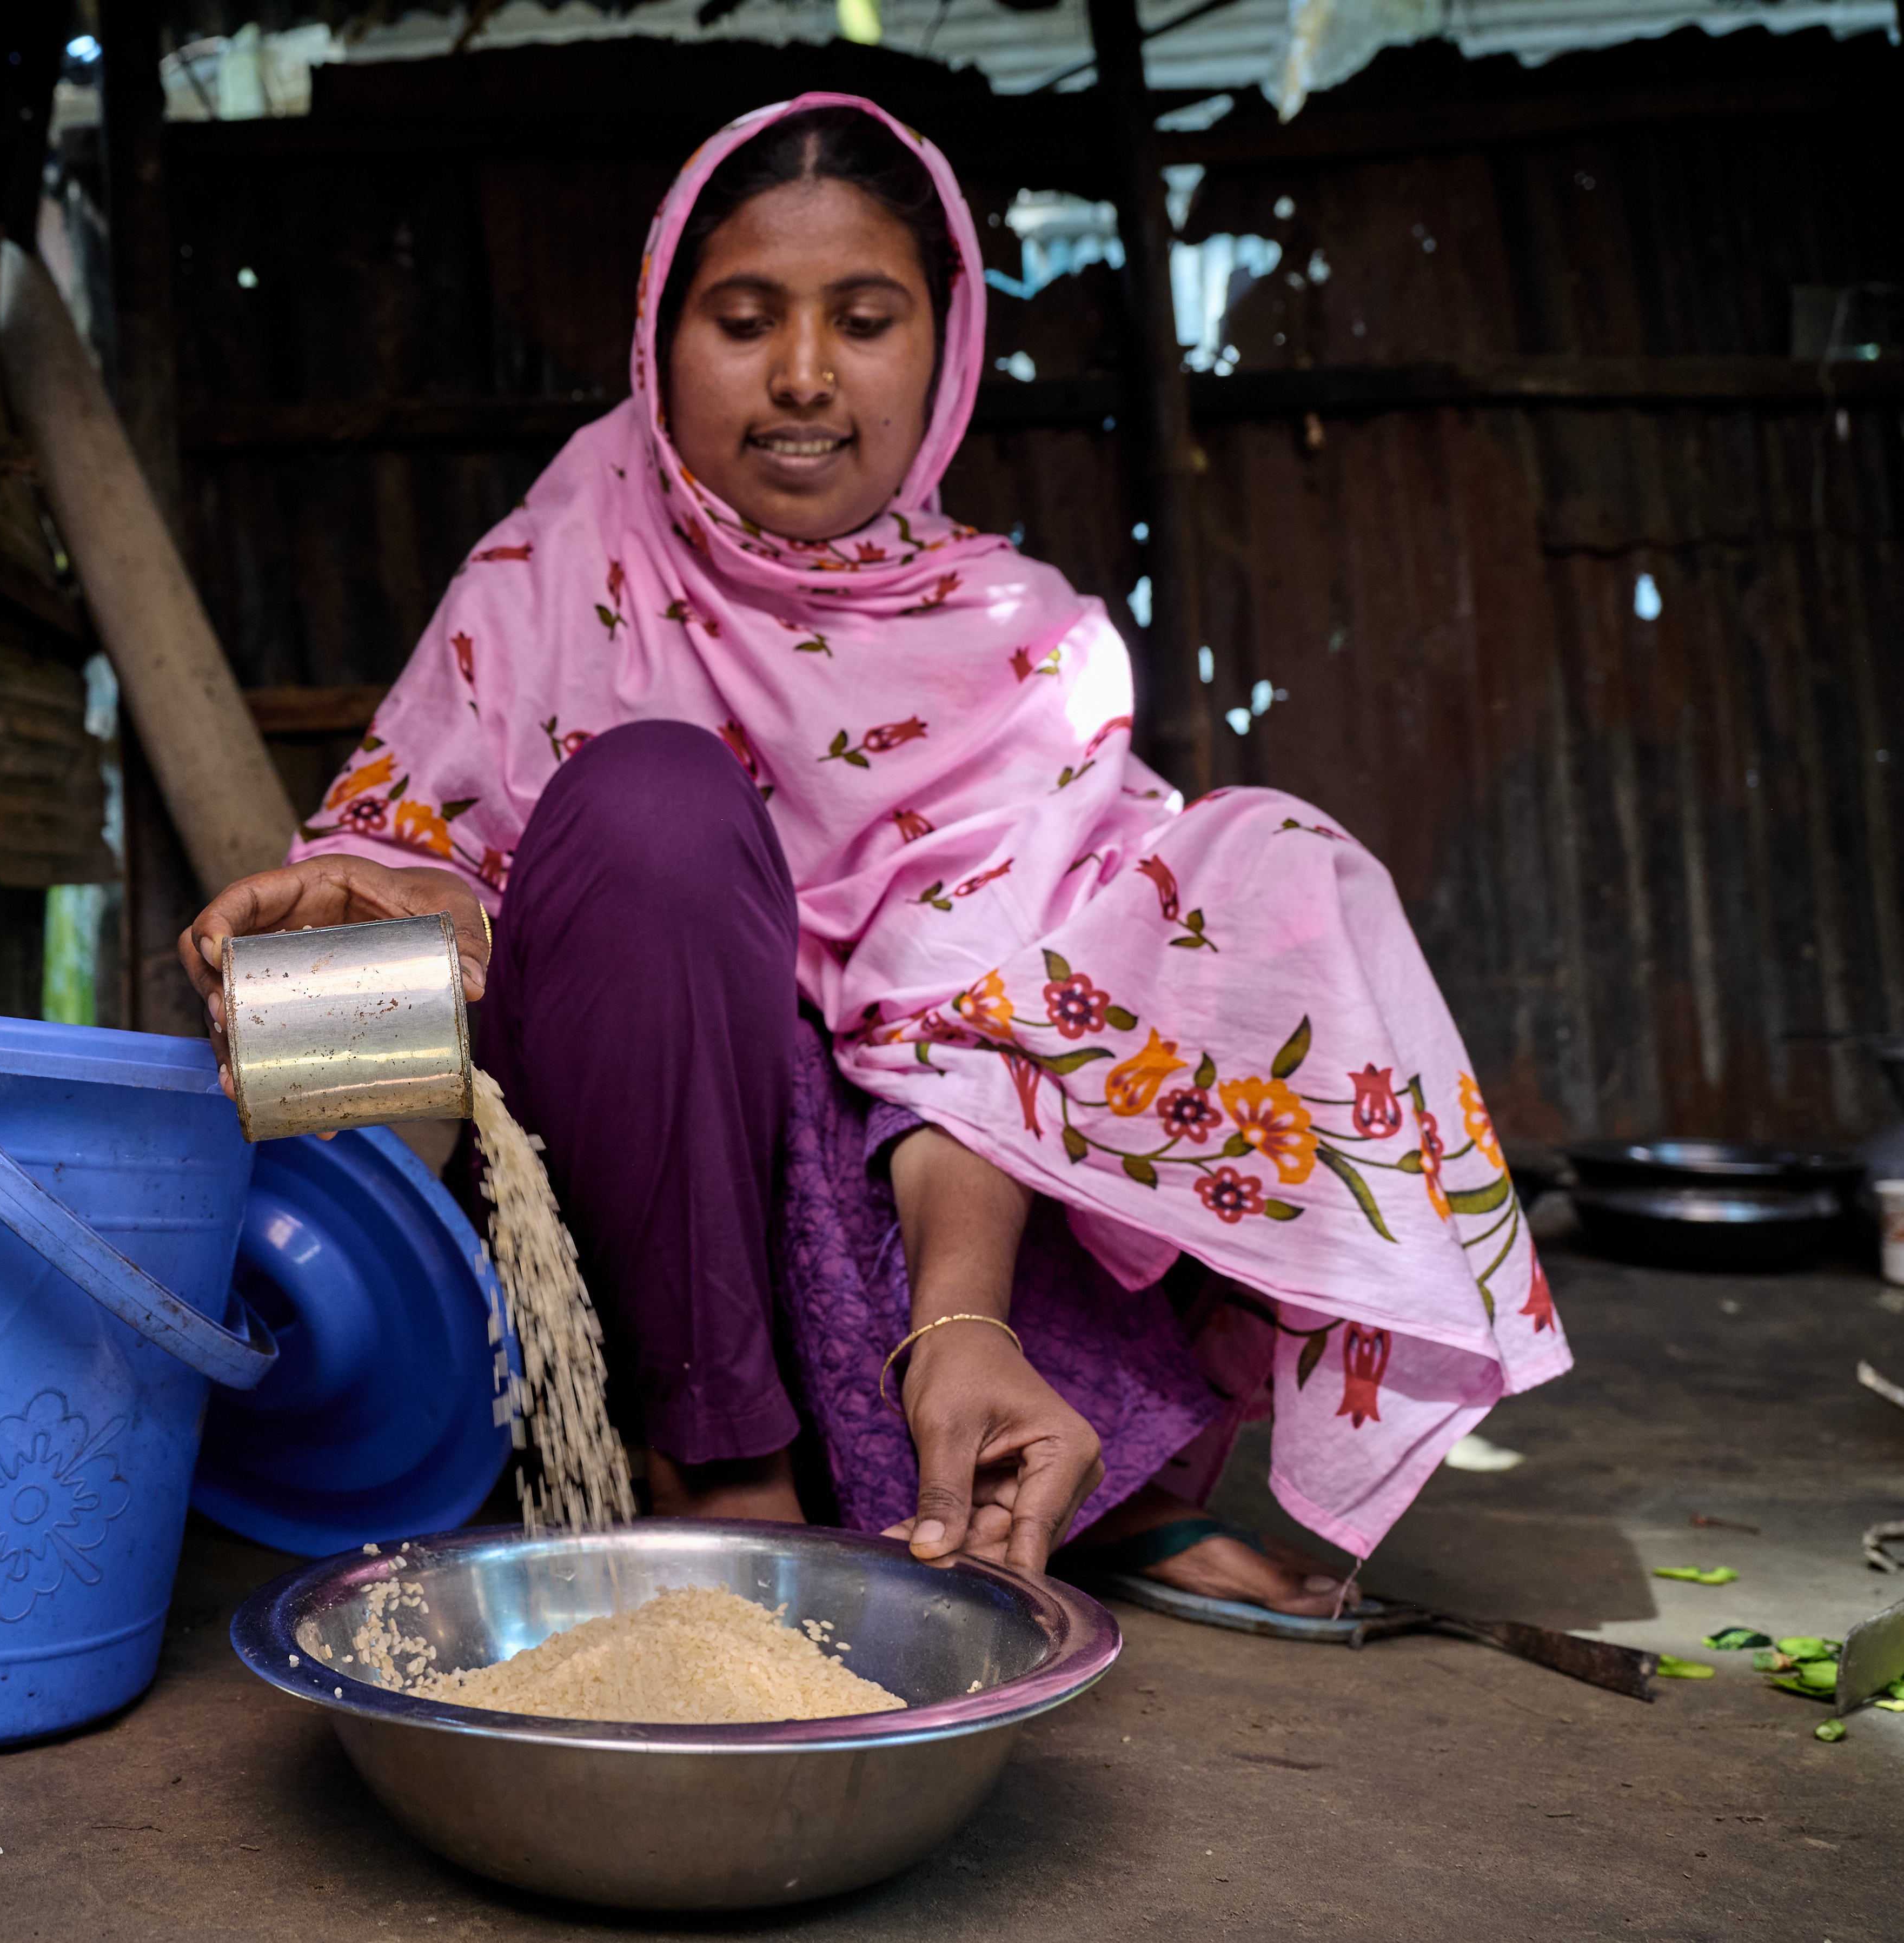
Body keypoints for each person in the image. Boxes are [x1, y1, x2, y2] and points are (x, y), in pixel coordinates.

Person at [179, 94, 1567, 1618]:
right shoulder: (557, 562)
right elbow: (450, 908)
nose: (801, 377)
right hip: (618, 1279)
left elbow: (977, 1032)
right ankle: (711, 1476)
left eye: (864, 318)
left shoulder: (1024, 649)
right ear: (660, 333)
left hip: (917, 1273)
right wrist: (389, 906)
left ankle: (1071, 1472)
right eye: (744, 317)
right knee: (655, 804)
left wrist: (960, 1322)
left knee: (1262, 872)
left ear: (946, 343)